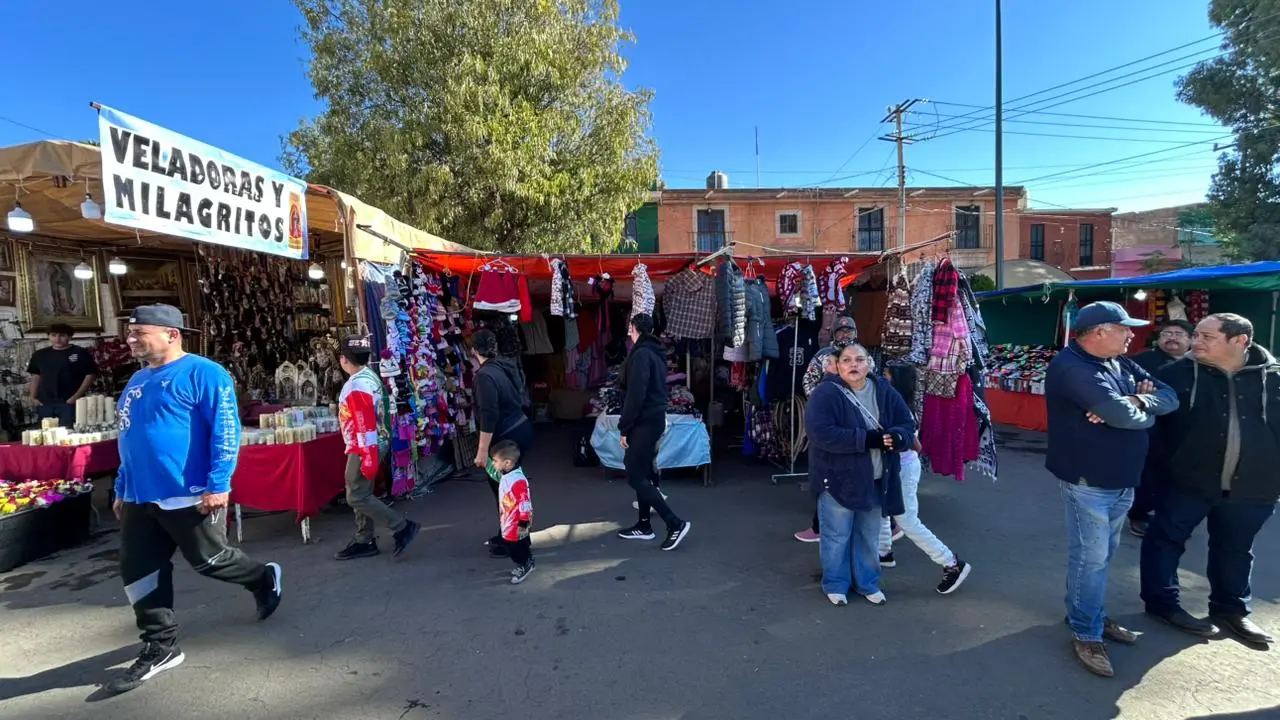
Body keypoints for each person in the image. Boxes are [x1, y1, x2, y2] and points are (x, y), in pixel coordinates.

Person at [108, 304, 282, 695]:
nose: (131, 338)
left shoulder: (204, 373)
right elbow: (129, 438)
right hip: (139, 496)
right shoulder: (135, 381)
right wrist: (122, 486)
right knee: (138, 570)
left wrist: (218, 483)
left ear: (172, 334)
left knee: (210, 560)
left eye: (140, 332)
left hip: (187, 494)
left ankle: (262, 577)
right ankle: (160, 645)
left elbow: (225, 428)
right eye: (130, 332)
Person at [1045, 300, 1178, 678]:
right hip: (1089, 479)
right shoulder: (1072, 367)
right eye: (1123, 329)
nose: (1131, 335)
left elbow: (1168, 397)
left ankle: (1088, 616)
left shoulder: (1118, 361)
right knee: (1093, 559)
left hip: (1121, 477)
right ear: (1100, 332)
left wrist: (1137, 400)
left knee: (1099, 557)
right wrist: (1128, 410)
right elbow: (1121, 417)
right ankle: (1087, 631)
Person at [1142, 313, 1279, 647]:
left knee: (1235, 548)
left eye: (1207, 336)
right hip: (1187, 481)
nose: (1196, 342)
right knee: (1165, 540)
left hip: (1254, 485)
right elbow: (1156, 432)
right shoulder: (1174, 374)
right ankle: (1162, 604)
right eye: (1197, 335)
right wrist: (1165, 471)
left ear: (1239, 341)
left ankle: (1230, 609)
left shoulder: (1274, 378)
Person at [804, 343, 913, 606]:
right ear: (837, 365)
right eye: (847, 360)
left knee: (868, 534)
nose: (853, 364)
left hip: (877, 478)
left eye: (859, 359)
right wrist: (868, 439)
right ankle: (835, 583)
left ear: (869, 364)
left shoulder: (884, 390)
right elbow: (821, 434)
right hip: (838, 478)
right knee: (836, 535)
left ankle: (867, 582)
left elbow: (907, 423)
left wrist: (898, 437)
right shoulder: (825, 394)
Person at [875, 361, 972, 595]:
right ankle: (883, 551)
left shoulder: (898, 409)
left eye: (886, 376)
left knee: (907, 520)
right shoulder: (897, 404)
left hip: (904, 468)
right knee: (882, 507)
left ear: (894, 381)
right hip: (898, 467)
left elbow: (915, 445)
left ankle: (951, 563)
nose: (881, 379)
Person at [332, 336, 420, 561]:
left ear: (343, 359)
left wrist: (367, 456)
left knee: (356, 496)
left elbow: (364, 423)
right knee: (362, 491)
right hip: (371, 443)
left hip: (364, 445)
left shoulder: (355, 385)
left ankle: (401, 526)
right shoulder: (369, 377)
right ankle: (364, 538)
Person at [615, 313, 692, 551]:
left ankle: (674, 523)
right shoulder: (654, 352)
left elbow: (636, 394)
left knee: (635, 473)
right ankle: (644, 525)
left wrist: (625, 427)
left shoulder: (641, 354)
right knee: (644, 472)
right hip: (653, 418)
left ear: (634, 327)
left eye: (630, 325)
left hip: (644, 421)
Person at [794, 315, 858, 543]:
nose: (845, 335)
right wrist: (821, 403)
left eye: (848, 330)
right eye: (840, 331)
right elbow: (808, 382)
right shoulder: (823, 355)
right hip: (828, 423)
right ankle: (820, 524)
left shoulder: (860, 356)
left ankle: (828, 525)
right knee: (825, 471)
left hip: (853, 424)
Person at [471, 328, 534, 558]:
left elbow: (489, 414)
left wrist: (482, 451)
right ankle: (513, 535)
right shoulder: (503, 367)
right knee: (510, 490)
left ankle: (518, 540)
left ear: (473, 350)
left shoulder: (485, 376)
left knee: (506, 491)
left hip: (507, 437)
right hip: (519, 428)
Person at [1127, 320, 1194, 537]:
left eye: (1178, 333)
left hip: (1188, 430)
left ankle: (1169, 515)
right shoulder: (1143, 361)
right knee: (1148, 475)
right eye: (1167, 333)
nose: (1172, 337)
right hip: (1153, 429)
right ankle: (1138, 515)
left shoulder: (1200, 364)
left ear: (1191, 340)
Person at [27, 322, 98, 427]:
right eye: (53, 335)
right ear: (49, 336)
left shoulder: (80, 353)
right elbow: (35, 377)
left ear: (69, 337)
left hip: (70, 402)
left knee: (69, 434)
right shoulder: (39, 355)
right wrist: (33, 397)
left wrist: (75, 397)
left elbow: (90, 375)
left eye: (62, 335)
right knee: (47, 436)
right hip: (45, 403)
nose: (57, 338)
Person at [490, 440, 535, 584]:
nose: (493, 464)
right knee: (514, 543)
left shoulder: (518, 480)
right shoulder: (507, 475)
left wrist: (523, 522)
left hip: (517, 521)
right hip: (509, 519)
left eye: (495, 461)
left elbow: (525, 503)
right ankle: (527, 562)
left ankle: (524, 564)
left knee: (515, 546)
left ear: (507, 463)